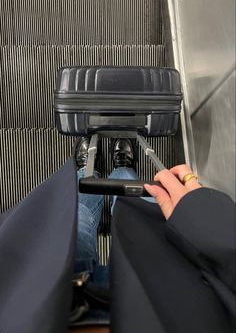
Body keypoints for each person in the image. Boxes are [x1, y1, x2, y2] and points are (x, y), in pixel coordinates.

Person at [71, 138, 236, 333]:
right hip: (165, 298)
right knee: (135, 208)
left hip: (69, 302)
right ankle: (121, 168)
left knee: (79, 220)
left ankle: (87, 171)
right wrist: (198, 214)